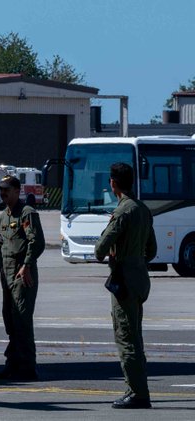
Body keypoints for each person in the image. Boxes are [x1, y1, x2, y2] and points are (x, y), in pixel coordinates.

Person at [94, 161, 157, 410]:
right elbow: (152, 250)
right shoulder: (143, 209)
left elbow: (100, 249)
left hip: (125, 280)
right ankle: (137, 388)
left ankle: (138, 393)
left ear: (113, 183)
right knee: (135, 336)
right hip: (140, 277)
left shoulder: (123, 211)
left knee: (126, 337)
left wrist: (116, 253)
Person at [0, 173, 45, 381]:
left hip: (22, 274)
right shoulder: (4, 216)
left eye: (7, 189)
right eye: (1, 190)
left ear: (17, 191)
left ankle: (27, 367)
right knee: (10, 320)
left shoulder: (27, 213)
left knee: (22, 320)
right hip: (6, 275)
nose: (3, 193)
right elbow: (1, 245)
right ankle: (12, 364)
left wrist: (27, 265)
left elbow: (37, 242)